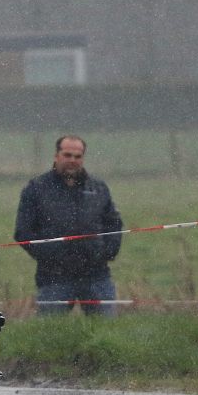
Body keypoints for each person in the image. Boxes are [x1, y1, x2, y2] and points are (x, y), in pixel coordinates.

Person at [13, 135, 123, 316]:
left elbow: (114, 224)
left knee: (106, 333)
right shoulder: (36, 189)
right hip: (54, 277)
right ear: (56, 156)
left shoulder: (98, 188)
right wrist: (50, 254)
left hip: (96, 274)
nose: (72, 160)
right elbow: (23, 232)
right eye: (67, 155)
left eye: (78, 156)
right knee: (51, 333)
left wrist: (106, 251)